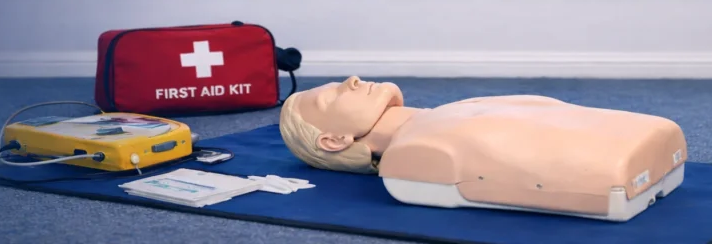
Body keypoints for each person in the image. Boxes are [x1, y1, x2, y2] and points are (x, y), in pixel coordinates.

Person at [279, 76, 687, 218]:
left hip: (632, 144)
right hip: (616, 165)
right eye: (332, 96)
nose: (352, 80)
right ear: (334, 140)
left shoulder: (449, 112)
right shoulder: (414, 152)